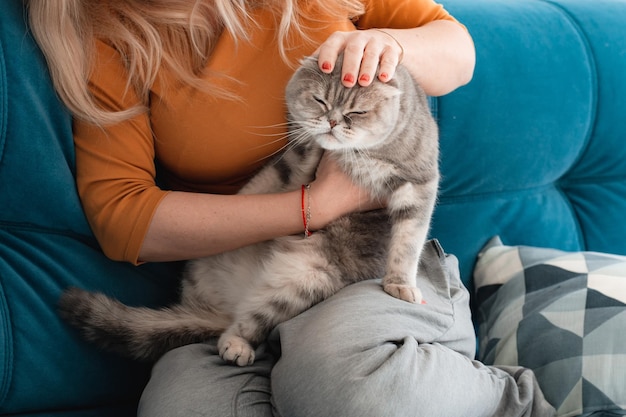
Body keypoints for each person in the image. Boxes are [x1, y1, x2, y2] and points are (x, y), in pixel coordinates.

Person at [27, 0, 555, 416]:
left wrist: (388, 44)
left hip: (373, 259)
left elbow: (458, 53)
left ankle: (510, 403)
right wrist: (311, 206)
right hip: (242, 280)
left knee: (343, 385)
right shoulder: (106, 28)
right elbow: (124, 220)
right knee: (182, 407)